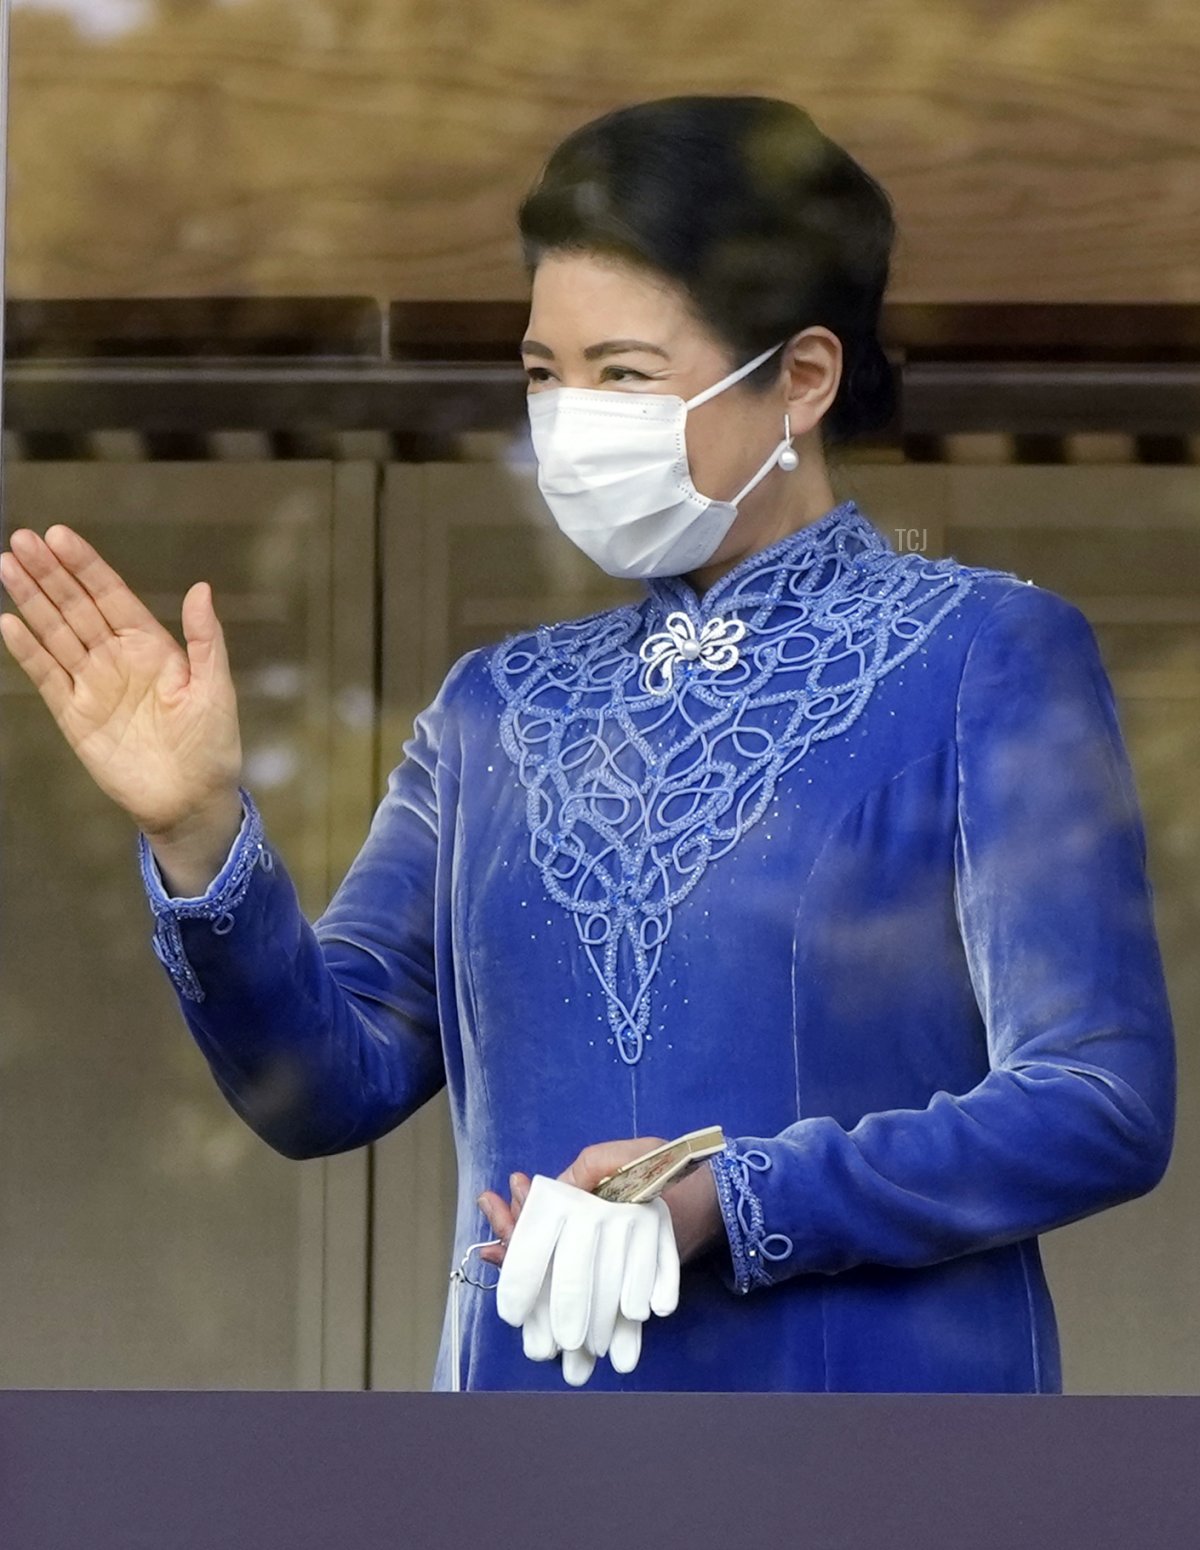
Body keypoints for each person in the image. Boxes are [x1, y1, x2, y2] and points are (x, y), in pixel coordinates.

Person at [0, 95, 1175, 1394]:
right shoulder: (492, 708)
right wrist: (198, 829)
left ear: (801, 377)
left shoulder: (984, 654)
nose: (568, 421)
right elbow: (320, 1086)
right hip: (526, 1469)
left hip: (880, 1460)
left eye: (622, 373)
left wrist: (734, 1193)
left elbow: (1097, 1100)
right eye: (543, 374)